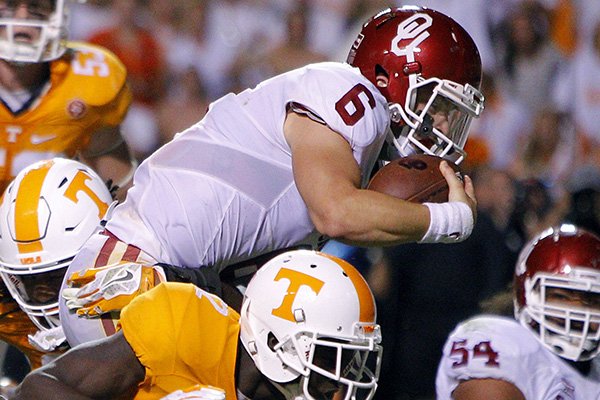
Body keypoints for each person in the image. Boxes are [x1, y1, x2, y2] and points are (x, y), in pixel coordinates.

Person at [59, 6, 485, 347]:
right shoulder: (350, 95)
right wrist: (450, 222)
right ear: (385, 79)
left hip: (159, 283)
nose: (443, 128)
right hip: (130, 277)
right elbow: (337, 215)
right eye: (437, 105)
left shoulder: (351, 152)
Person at [13, 249, 383, 400]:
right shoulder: (187, 327)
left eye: (349, 361)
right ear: (277, 343)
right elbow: (40, 388)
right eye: (330, 358)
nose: (340, 382)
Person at [436, 224, 600, 399]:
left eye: (591, 300)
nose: (576, 310)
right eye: (561, 296)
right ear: (526, 294)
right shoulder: (502, 342)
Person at [0, 0, 137, 198]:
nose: (23, 17)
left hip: (45, 226)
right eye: (10, 4)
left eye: (36, 6)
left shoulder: (89, 80)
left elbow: (124, 192)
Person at [0, 158, 114, 370]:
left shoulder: (151, 285)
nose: (44, 294)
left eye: (57, 276)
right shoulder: (10, 311)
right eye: (29, 279)